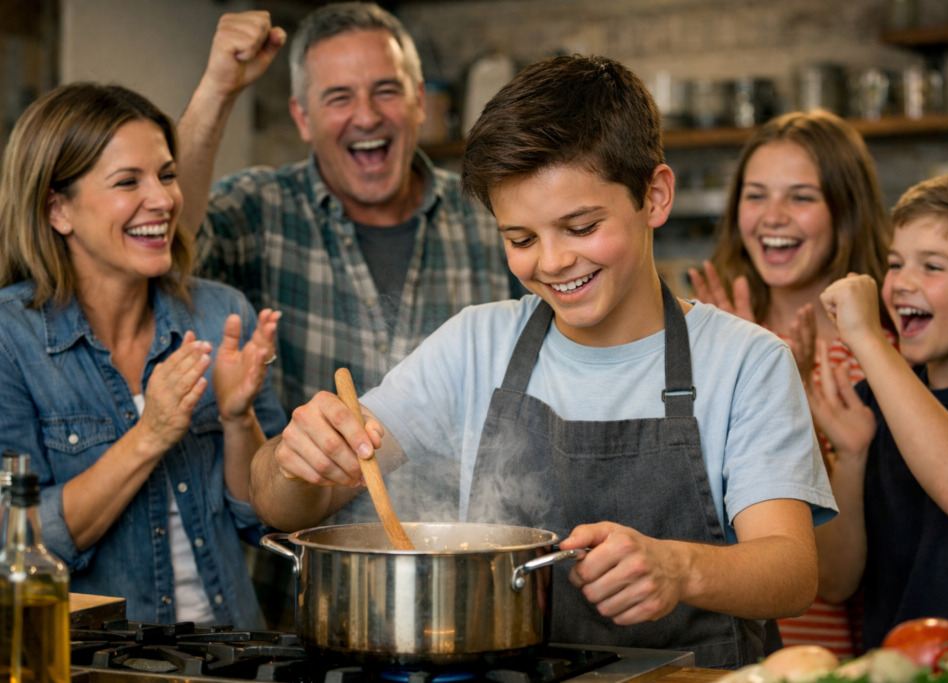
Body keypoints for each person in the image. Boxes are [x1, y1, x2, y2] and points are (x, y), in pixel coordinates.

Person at [249, 55, 838, 669]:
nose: (552, 262)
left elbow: (792, 571)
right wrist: (297, 462)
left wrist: (680, 566)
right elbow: (282, 505)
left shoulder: (746, 361)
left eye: (580, 227)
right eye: (521, 239)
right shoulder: (475, 346)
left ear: (655, 196)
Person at [0, 83, 287, 626]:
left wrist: (236, 418)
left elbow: (265, 521)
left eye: (167, 174)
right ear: (58, 209)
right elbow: (17, 546)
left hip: (231, 655)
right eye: (128, 181)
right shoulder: (8, 340)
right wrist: (150, 436)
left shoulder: (220, 314)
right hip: (94, 663)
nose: (162, 200)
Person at [176, 3, 521, 413]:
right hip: (304, 480)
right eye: (339, 97)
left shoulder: (491, 215)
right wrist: (217, 88)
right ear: (303, 119)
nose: (367, 116)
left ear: (419, 102)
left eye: (386, 91)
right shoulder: (258, 209)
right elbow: (169, 243)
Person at [688, 110, 893, 658]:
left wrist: (787, 397)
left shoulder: (883, 360)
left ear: (845, 211)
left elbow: (831, 578)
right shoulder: (704, 345)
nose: (772, 218)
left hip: (833, 660)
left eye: (801, 197)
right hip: (722, 656)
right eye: (756, 195)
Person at [809, 171, 948, 648]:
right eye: (895, 263)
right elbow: (836, 582)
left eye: (932, 266)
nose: (901, 283)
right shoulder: (874, 401)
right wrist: (852, 454)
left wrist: (866, 338)